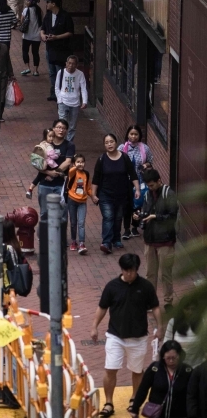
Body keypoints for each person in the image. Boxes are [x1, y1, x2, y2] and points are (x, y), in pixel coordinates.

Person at [91, 253, 165, 418]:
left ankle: (134, 400)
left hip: (138, 338)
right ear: (121, 269)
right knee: (110, 369)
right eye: (126, 270)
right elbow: (102, 307)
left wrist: (160, 328)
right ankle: (108, 403)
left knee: (137, 370)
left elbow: (156, 307)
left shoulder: (146, 286)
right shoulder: (112, 286)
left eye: (132, 270)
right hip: (115, 336)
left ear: (137, 270)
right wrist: (94, 326)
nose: (129, 274)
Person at [92, 133, 141, 254]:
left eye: (111, 141)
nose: (109, 144)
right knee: (108, 217)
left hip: (122, 194)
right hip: (105, 194)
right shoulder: (101, 159)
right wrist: (93, 194)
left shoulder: (124, 158)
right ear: (104, 145)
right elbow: (96, 178)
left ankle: (116, 239)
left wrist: (137, 189)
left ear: (116, 142)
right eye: (107, 142)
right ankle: (106, 242)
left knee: (118, 218)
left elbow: (132, 174)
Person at [138, 168, 178, 307]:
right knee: (150, 274)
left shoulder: (169, 194)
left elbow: (172, 217)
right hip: (150, 240)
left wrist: (156, 217)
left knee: (165, 274)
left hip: (165, 241)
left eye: (152, 185)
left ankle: (168, 302)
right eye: (148, 186)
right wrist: (140, 216)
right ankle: (151, 302)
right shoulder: (148, 195)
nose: (150, 188)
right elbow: (146, 212)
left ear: (159, 181)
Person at [130, 340, 193, 418]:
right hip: (157, 414)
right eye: (168, 358)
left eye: (174, 358)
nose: (171, 361)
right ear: (163, 356)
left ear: (180, 356)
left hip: (180, 414)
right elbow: (143, 389)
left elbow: (193, 395)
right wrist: (135, 409)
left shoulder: (187, 370)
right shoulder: (154, 368)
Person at [40, 0, 74, 101]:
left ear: (53, 4)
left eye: (48, 2)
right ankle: (54, 92)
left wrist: (57, 37)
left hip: (61, 49)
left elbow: (70, 32)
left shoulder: (65, 16)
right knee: (51, 71)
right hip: (50, 48)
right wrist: (43, 36)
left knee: (61, 71)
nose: (46, 4)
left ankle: (62, 92)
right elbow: (43, 29)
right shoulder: (48, 16)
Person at [54, 56, 88, 142]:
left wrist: (84, 101)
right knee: (62, 125)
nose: (70, 65)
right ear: (66, 63)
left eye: (73, 64)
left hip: (75, 103)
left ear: (76, 65)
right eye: (69, 63)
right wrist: (59, 100)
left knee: (72, 126)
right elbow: (57, 87)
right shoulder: (60, 73)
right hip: (63, 102)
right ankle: (61, 142)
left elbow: (83, 88)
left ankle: (69, 144)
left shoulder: (80, 74)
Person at [65, 155, 92, 254]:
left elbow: (88, 188)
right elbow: (70, 171)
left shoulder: (86, 174)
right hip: (72, 200)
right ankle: (73, 241)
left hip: (82, 202)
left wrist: (93, 196)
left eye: (82, 162)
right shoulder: (73, 173)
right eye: (78, 162)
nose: (81, 164)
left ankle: (81, 243)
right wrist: (75, 166)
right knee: (73, 222)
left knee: (81, 223)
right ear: (74, 164)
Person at [19, 0, 43, 77]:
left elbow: (22, 20)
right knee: (35, 52)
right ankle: (36, 70)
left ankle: (27, 67)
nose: (26, 2)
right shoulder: (39, 10)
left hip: (27, 35)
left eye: (28, 0)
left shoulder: (26, 10)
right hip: (37, 36)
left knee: (25, 51)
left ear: (31, 2)